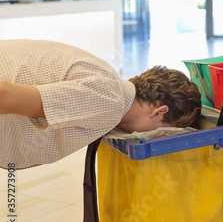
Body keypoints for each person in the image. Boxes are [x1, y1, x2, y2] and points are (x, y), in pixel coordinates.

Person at [0, 39, 201, 170]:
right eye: (161, 131)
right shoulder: (109, 101)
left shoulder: (108, 83)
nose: (150, 135)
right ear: (159, 112)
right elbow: (4, 96)